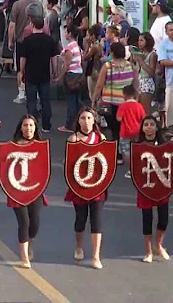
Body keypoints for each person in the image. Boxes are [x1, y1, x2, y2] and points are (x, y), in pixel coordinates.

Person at [64, 107, 106, 269]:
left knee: (97, 221)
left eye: (89, 118)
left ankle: (96, 256)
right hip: (79, 186)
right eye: (83, 118)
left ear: (94, 120)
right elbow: (68, 163)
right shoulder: (73, 139)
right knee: (81, 219)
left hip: (97, 186)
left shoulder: (100, 137)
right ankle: (79, 247)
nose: (86, 121)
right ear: (78, 121)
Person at [7, 114, 47, 268]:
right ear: (20, 127)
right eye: (25, 125)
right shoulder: (13, 145)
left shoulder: (41, 145)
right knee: (24, 222)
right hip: (17, 191)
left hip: (35, 190)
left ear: (35, 127)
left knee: (34, 223)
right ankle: (24, 256)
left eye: (31, 125)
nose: (28, 128)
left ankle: (29, 243)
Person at [136, 115, 171, 263]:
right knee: (147, 218)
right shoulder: (137, 146)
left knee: (163, 218)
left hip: (162, 186)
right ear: (142, 128)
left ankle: (159, 244)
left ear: (157, 127)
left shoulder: (164, 145)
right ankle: (148, 251)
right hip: (145, 187)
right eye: (146, 125)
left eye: (151, 124)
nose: (149, 127)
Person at [20, 6, 60, 132]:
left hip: (31, 75)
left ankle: (32, 124)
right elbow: (53, 58)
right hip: (44, 75)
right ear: (43, 26)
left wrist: (22, 71)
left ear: (32, 26)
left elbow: (23, 58)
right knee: (45, 100)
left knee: (31, 101)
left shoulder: (27, 41)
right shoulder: (49, 40)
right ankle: (46, 125)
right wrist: (54, 71)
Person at [116, 85, 146, 178]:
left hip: (125, 132)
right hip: (137, 131)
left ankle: (131, 169)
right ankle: (139, 167)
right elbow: (143, 118)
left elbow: (119, 118)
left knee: (126, 151)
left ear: (124, 95)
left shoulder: (122, 106)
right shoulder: (139, 106)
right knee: (137, 149)